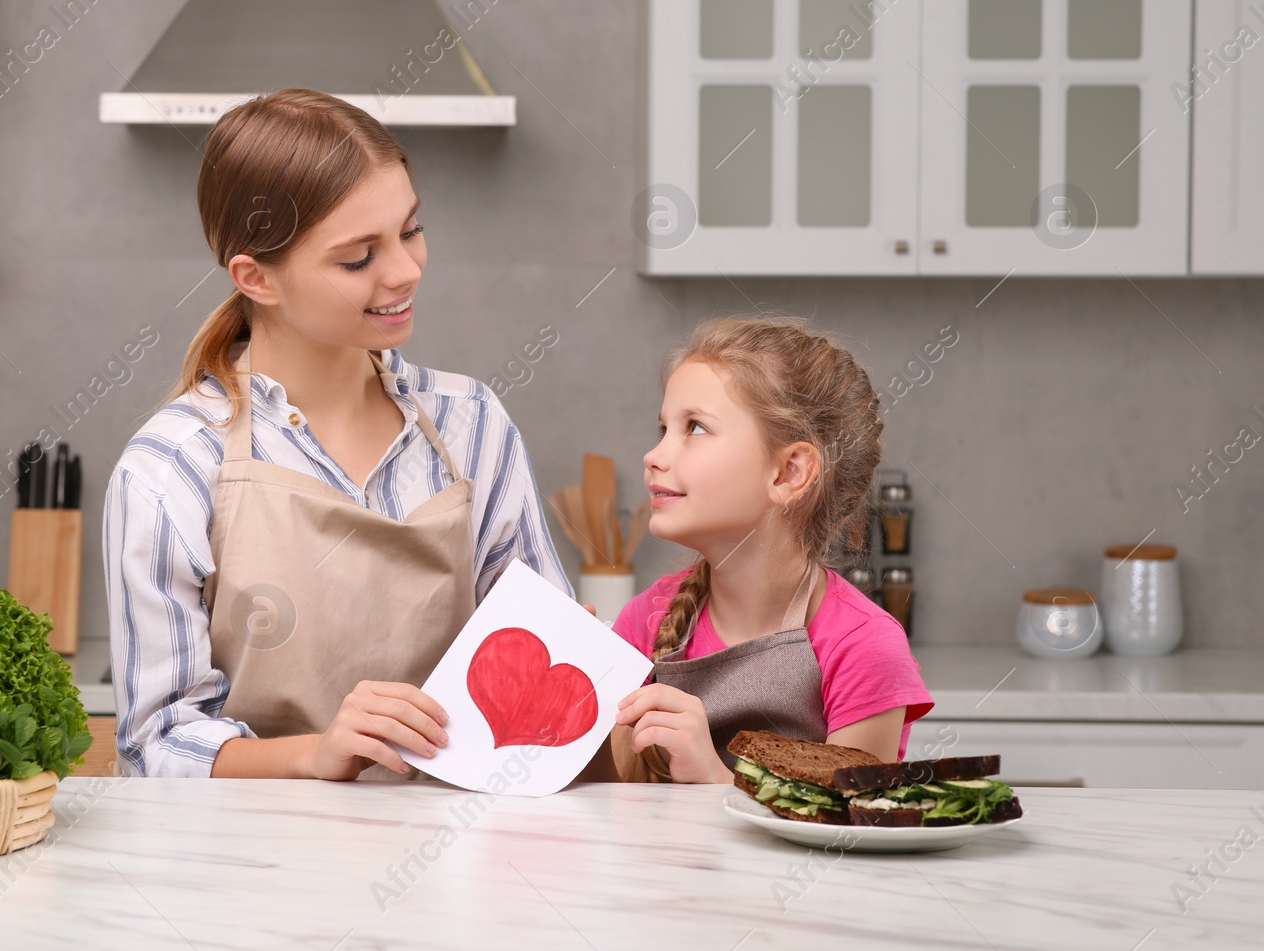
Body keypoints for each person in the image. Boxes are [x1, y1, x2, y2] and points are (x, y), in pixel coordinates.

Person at [105, 88, 572, 782]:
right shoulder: (171, 467)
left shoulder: (472, 424)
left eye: (410, 230)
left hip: (453, 862)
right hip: (248, 872)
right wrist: (318, 752)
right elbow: (156, 742)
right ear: (255, 277)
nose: (407, 269)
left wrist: (581, 662)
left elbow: (544, 669)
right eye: (359, 257)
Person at [609, 316, 933, 783]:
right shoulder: (644, 620)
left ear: (788, 473)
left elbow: (843, 835)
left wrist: (715, 780)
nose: (654, 455)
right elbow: (605, 803)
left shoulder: (864, 647)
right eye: (662, 428)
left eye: (695, 428)